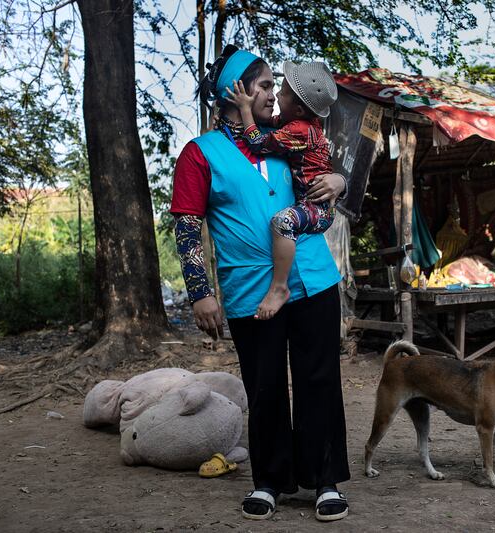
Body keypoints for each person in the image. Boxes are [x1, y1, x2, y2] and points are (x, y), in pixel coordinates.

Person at [170, 44, 350, 522]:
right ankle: (270, 481)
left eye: (274, 85)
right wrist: (200, 291)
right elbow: (187, 226)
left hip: (312, 278)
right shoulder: (199, 154)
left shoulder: (284, 136)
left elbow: (324, 165)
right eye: (266, 85)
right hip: (251, 290)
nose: (274, 94)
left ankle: (324, 480)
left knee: (319, 378)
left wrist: (340, 181)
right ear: (238, 91)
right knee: (265, 384)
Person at [225, 61, 338, 320]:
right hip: (312, 205)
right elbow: (272, 123)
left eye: (282, 92)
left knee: (282, 222)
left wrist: (244, 108)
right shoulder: (293, 122)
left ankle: (279, 287)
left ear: (298, 109)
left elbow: (257, 142)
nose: (276, 95)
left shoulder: (298, 129)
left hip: (318, 210)